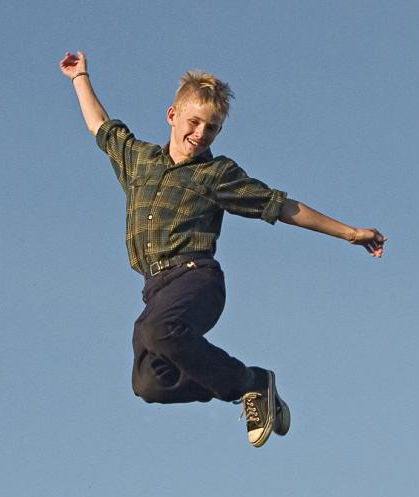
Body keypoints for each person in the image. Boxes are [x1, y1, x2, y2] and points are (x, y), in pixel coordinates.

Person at [59, 51, 386, 448]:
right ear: (172, 116)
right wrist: (80, 77)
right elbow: (101, 126)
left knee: (156, 330)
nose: (200, 134)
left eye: (212, 128)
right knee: (149, 385)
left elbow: (280, 206)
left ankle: (249, 384)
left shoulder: (216, 174)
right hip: (155, 289)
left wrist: (349, 233)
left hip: (196, 279)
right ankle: (253, 384)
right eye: (194, 122)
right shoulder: (140, 161)